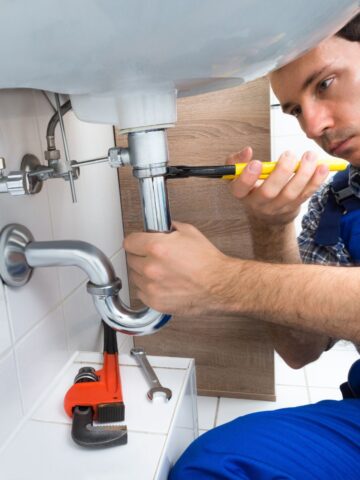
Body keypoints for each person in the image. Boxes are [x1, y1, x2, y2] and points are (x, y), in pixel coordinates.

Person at [123, 13, 360, 479]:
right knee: (218, 465)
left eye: (326, 83)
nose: (313, 125)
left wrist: (220, 281)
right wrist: (271, 225)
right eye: (294, 109)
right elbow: (301, 349)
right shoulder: (336, 202)